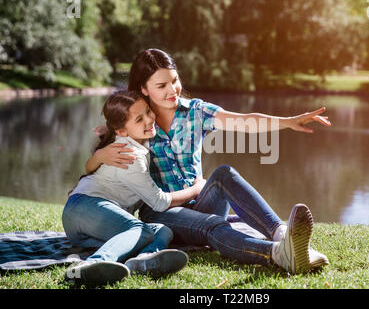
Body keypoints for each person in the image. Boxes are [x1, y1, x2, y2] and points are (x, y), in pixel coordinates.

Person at [86, 48, 331, 275]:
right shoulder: (134, 122)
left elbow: (244, 121)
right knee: (213, 223)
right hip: (163, 214)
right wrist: (99, 156)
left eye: (174, 80)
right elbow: (93, 172)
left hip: (201, 202)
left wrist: (288, 121)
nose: (172, 90)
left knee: (224, 174)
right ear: (144, 89)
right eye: (162, 85)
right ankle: (278, 254)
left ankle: (285, 236)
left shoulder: (196, 112)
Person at [62, 90, 207, 286]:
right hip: (85, 208)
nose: (149, 120)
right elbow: (159, 202)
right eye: (139, 119)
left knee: (161, 230)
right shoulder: (130, 156)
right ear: (121, 131)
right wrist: (197, 188)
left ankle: (142, 262)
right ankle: (92, 264)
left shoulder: (133, 142)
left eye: (148, 111)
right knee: (140, 229)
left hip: (87, 224)